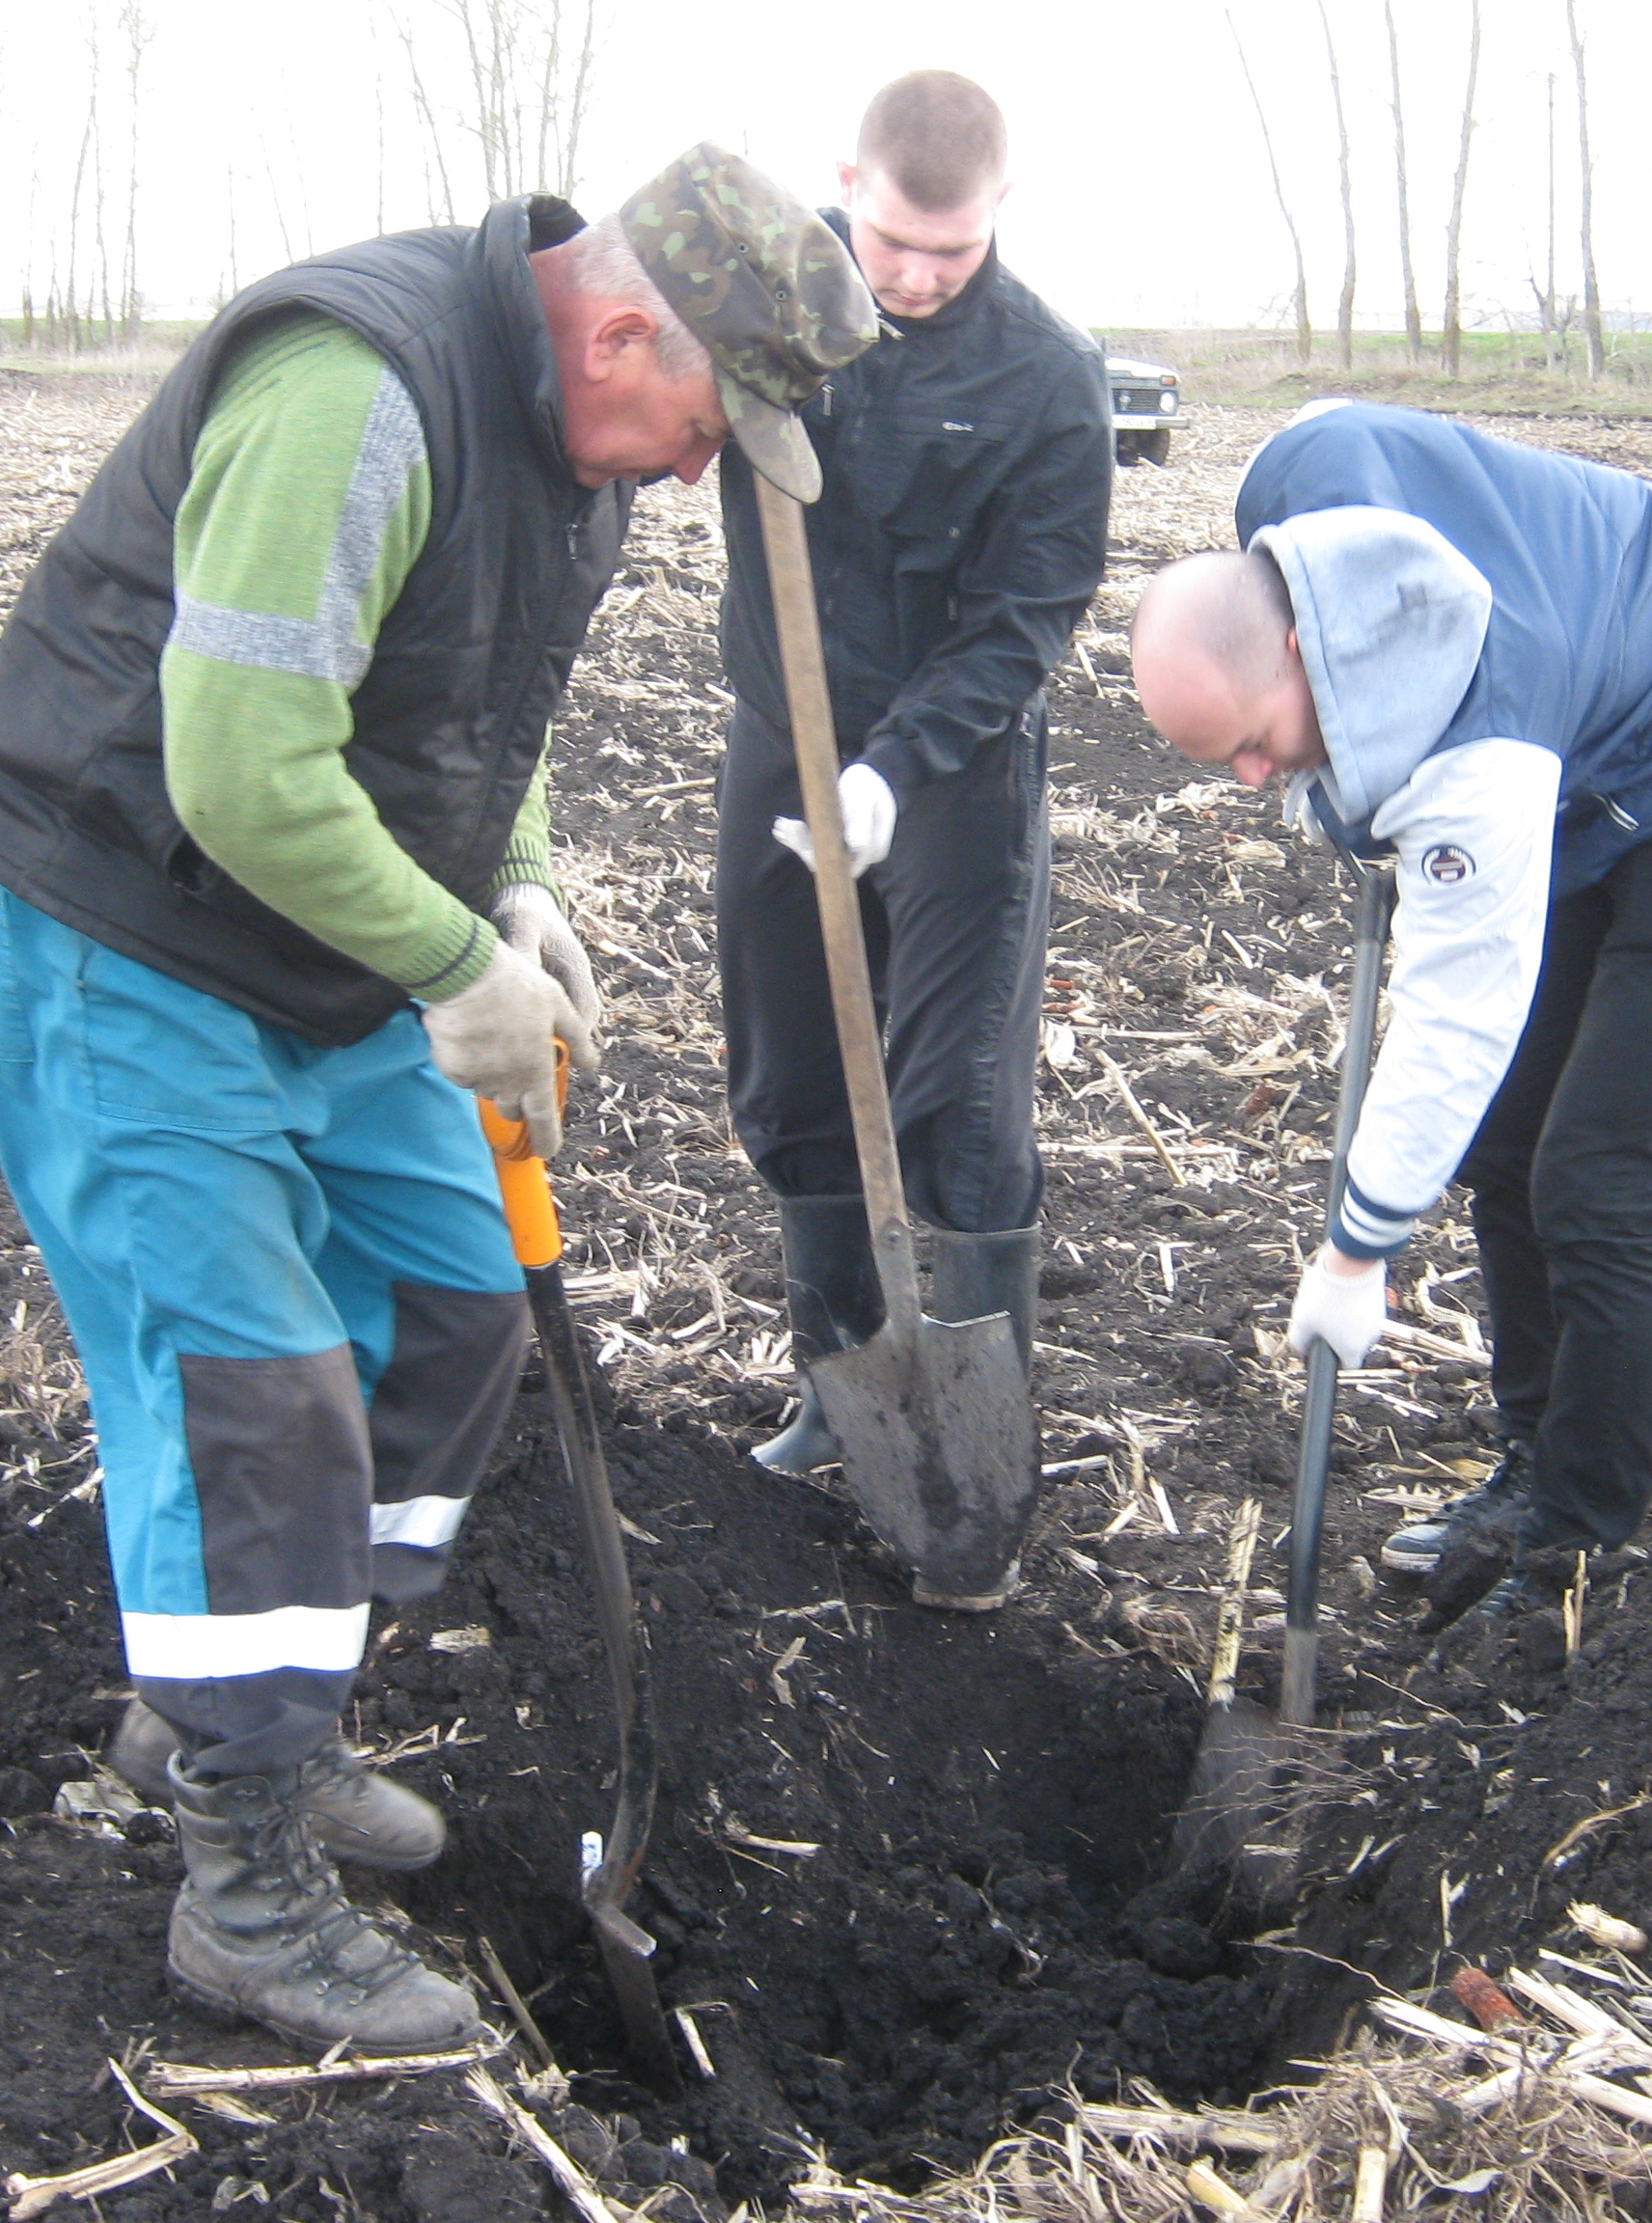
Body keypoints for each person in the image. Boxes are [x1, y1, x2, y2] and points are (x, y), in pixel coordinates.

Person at [0, 148, 874, 2050]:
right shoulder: (352, 394)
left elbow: (477, 715)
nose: (700, 473)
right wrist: (458, 969)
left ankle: (239, 1715)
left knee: (455, 1305)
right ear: (622, 330)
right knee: (257, 1395)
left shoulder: (575, 441)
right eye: (709, 427)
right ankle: (250, 1890)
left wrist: (514, 884)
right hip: (133, 924)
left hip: (328, 935)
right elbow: (244, 773)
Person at [1128, 401, 1652, 1620]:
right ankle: (1531, 1469)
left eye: (1253, 746)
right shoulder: (1289, 480)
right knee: (1509, 1146)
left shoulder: (1479, 750)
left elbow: (1459, 1016)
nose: (1255, 781)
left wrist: (1358, 1252)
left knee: (1599, 1179)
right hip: (1593, 725)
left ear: (1305, 652)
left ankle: (1579, 1549)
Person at [710, 71, 1113, 1498]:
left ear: (1000, 212)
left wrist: (898, 767)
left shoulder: (1049, 379)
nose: (918, 276)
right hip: (784, 736)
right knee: (793, 1077)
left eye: (951, 249)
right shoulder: (767, 307)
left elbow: (1028, 614)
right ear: (846, 184)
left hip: (954, 773)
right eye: (892, 244)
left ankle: (972, 1429)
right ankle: (839, 1393)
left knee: (955, 1105)